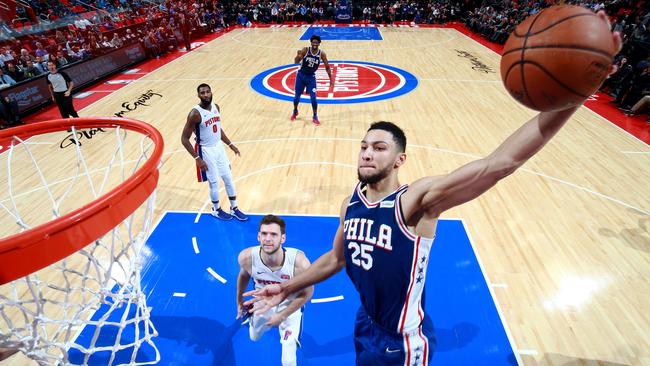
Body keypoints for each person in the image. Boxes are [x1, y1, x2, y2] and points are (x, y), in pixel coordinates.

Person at [245, 12, 621, 365]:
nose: (366, 154)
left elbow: (498, 164)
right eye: (363, 146)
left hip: (404, 341)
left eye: (379, 148)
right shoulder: (351, 202)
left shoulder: (416, 200)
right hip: (365, 325)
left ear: (399, 160)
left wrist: (577, 95)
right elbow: (336, 259)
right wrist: (285, 288)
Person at [236, 214, 313, 366]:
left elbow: (308, 293)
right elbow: (243, 276)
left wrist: (282, 315)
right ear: (258, 236)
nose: (268, 239)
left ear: (282, 238)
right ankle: (253, 319)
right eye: (264, 234)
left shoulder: (299, 263)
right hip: (263, 302)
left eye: (273, 234)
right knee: (254, 336)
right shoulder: (246, 257)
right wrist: (239, 301)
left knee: (288, 357)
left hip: (289, 305)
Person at [180, 83, 248, 221]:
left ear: (211, 92)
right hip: (206, 150)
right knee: (214, 182)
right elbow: (184, 139)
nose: (205, 95)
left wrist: (230, 144)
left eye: (207, 92)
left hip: (219, 148)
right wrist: (197, 158)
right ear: (198, 95)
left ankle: (234, 208)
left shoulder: (216, 107)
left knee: (228, 178)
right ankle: (216, 209)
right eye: (202, 93)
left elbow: (217, 129)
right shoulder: (195, 114)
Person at [291, 35, 332, 126]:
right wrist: (298, 56)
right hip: (301, 76)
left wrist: (330, 79)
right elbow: (296, 62)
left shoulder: (321, 54)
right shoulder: (305, 50)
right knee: (297, 97)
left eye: (316, 42)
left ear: (319, 44)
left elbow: (327, 67)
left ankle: (315, 116)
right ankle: (295, 111)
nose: (314, 44)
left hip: (311, 77)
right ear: (311, 42)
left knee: (313, 98)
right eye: (313, 42)